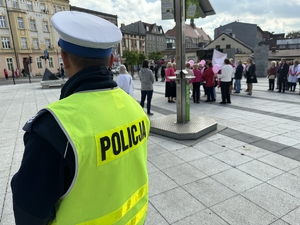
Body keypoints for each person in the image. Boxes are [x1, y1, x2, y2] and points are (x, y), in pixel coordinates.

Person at [11, 11, 150, 225]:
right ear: (111, 60)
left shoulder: (54, 128)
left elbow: (28, 214)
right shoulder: (136, 109)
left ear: (64, 59)